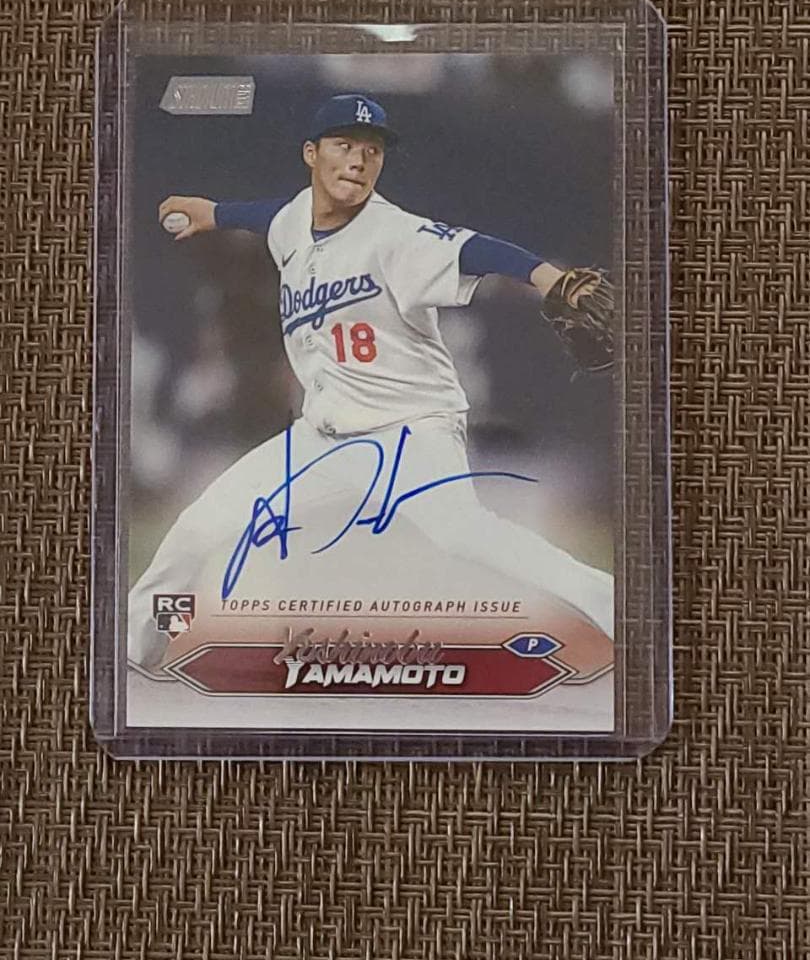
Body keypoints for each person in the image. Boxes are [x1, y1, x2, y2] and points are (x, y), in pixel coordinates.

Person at [128, 93, 614, 668]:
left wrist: (550, 277)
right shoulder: (292, 221)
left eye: (372, 150)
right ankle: (139, 646)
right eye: (344, 145)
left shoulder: (397, 235)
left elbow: (475, 249)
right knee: (198, 529)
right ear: (311, 154)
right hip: (321, 438)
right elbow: (271, 215)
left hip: (409, 433)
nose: (358, 160)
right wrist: (215, 212)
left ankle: (614, 606)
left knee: (466, 536)